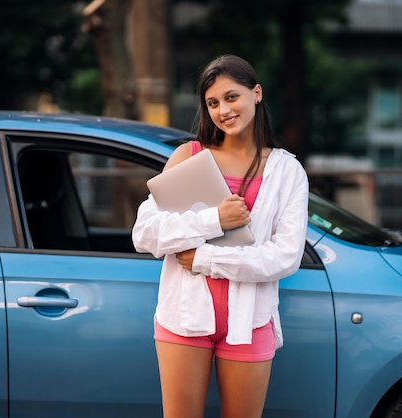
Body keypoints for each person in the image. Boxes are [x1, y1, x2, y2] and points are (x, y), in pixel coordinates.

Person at [132, 54, 308, 418]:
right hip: (183, 317)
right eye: (212, 102)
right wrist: (214, 220)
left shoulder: (287, 170)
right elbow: (145, 235)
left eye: (232, 97)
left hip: (250, 321)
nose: (223, 109)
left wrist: (205, 259)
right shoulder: (188, 157)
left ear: (256, 94)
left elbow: (285, 257)